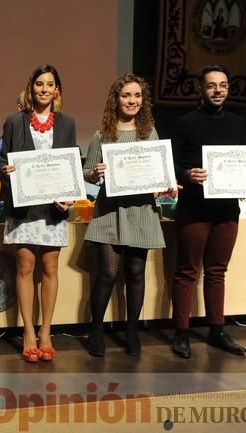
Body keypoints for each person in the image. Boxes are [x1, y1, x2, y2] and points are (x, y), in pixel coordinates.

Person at [170, 64, 246, 359]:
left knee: (217, 272)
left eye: (223, 85)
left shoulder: (239, 123)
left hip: (227, 209)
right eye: (211, 85)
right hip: (194, 207)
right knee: (187, 272)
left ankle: (216, 330)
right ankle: (181, 333)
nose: (218, 90)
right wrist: (187, 174)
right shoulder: (185, 124)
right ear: (201, 89)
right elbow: (171, 165)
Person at [0, 64, 77, 363]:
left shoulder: (67, 124)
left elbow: (69, 165)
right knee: (25, 266)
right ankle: (28, 332)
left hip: (53, 207)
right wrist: (5, 172)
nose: (44, 89)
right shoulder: (14, 121)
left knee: (51, 268)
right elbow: (3, 161)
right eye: (39, 84)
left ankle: (46, 331)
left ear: (57, 90)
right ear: (31, 88)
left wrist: (68, 195)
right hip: (24, 205)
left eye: (50, 85)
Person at [82, 73, 164, 357]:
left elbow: (158, 171)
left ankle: (131, 331)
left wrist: (164, 183)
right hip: (110, 211)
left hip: (140, 209)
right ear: (115, 99)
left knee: (136, 272)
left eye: (137, 96)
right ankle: (95, 329)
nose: (132, 101)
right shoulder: (101, 135)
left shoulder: (149, 132)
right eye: (126, 95)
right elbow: (87, 173)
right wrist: (95, 172)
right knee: (108, 273)